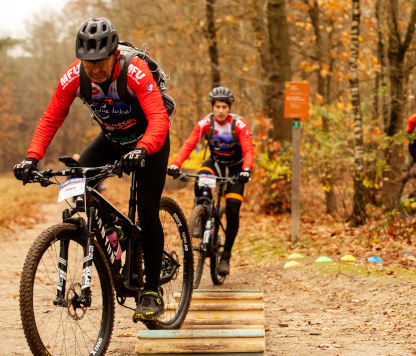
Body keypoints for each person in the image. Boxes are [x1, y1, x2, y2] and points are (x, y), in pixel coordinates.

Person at [12, 18, 171, 322]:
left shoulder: (134, 71)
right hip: (111, 138)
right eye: (88, 63)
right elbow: (50, 119)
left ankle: (152, 291)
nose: (95, 69)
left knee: (148, 210)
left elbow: (159, 119)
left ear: (114, 55)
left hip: (149, 141)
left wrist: (142, 149)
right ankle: (117, 230)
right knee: (76, 183)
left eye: (100, 62)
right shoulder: (74, 76)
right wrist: (32, 158)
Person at [168, 86, 254, 276]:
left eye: (224, 107)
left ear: (229, 108)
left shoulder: (239, 124)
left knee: (232, 209)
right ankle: (200, 214)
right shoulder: (205, 124)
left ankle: (226, 256)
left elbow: (248, 149)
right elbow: (189, 144)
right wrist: (176, 164)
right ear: (212, 108)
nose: (221, 111)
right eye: (218, 107)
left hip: (236, 167)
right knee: (200, 179)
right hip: (214, 162)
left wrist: (246, 170)